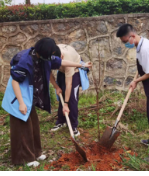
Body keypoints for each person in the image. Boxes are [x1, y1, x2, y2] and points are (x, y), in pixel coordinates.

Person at [1, 38, 92, 167]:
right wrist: (21, 103)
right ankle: (25, 159)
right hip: (18, 96)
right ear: (43, 52)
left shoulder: (45, 57)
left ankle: (36, 153)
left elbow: (63, 62)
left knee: (34, 125)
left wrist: (82, 65)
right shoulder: (25, 60)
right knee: (23, 126)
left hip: (29, 95)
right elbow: (15, 81)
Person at [116, 24, 149, 163]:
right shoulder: (140, 44)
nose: (124, 44)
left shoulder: (144, 49)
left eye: (124, 41)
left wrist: (137, 81)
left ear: (132, 36)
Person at [50, 44, 90, 137]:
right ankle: (61, 121)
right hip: (61, 71)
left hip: (74, 70)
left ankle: (73, 126)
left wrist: (66, 104)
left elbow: (69, 84)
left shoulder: (68, 59)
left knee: (71, 97)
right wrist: (56, 87)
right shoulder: (49, 55)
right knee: (62, 95)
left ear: (62, 57)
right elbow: (48, 73)